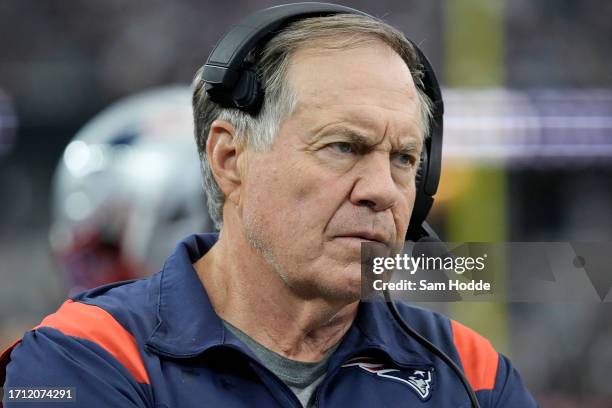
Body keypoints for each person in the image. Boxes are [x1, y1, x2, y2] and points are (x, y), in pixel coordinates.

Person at [1, 4, 538, 407]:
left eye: (404, 158)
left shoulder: (473, 371)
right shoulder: (85, 357)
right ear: (230, 158)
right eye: (344, 147)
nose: (382, 189)